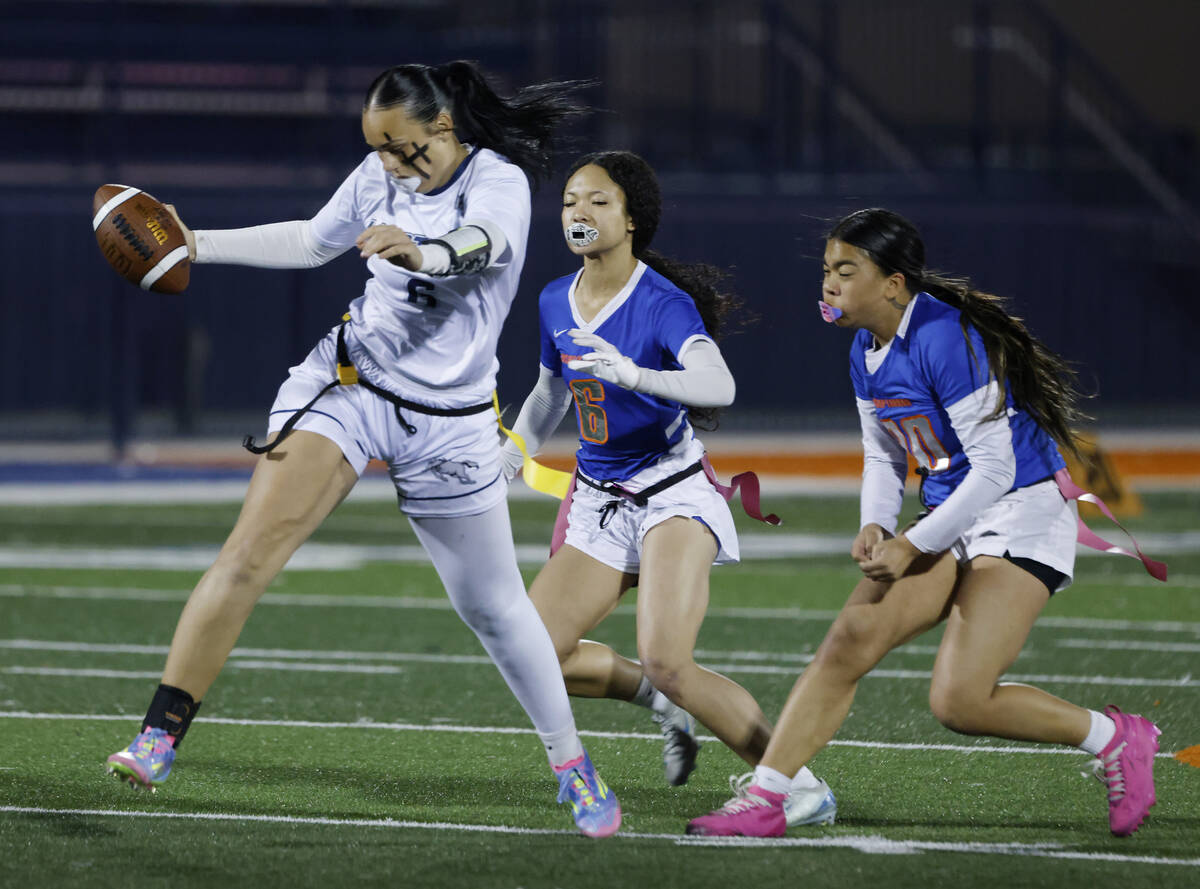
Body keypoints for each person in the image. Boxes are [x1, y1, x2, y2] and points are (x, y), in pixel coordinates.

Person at [104, 60, 622, 839]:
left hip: (449, 419)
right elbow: (314, 242)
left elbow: (481, 245)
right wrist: (192, 243)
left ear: (441, 128)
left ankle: (573, 765)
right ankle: (158, 736)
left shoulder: (499, 182)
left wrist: (421, 252)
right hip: (352, 382)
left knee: (494, 606)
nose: (385, 162)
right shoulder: (380, 172)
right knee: (248, 553)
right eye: (375, 147)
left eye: (398, 147)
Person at [685, 207, 1161, 838]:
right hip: (950, 512)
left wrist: (911, 542)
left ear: (894, 283)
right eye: (827, 269)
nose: (828, 284)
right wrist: (877, 524)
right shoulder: (865, 347)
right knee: (849, 641)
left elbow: (994, 470)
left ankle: (1114, 737)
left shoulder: (944, 337)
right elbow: (882, 453)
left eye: (846, 271)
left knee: (959, 701)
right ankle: (772, 797)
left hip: (1020, 509)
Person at [498, 150, 836, 828]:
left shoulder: (662, 302)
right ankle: (659, 698)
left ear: (632, 218)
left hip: (671, 493)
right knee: (532, 656)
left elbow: (721, 386)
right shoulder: (551, 298)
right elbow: (550, 390)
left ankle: (794, 783)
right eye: (570, 201)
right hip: (599, 498)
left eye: (597, 201)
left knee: (669, 657)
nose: (579, 213)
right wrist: (513, 449)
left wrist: (635, 374)